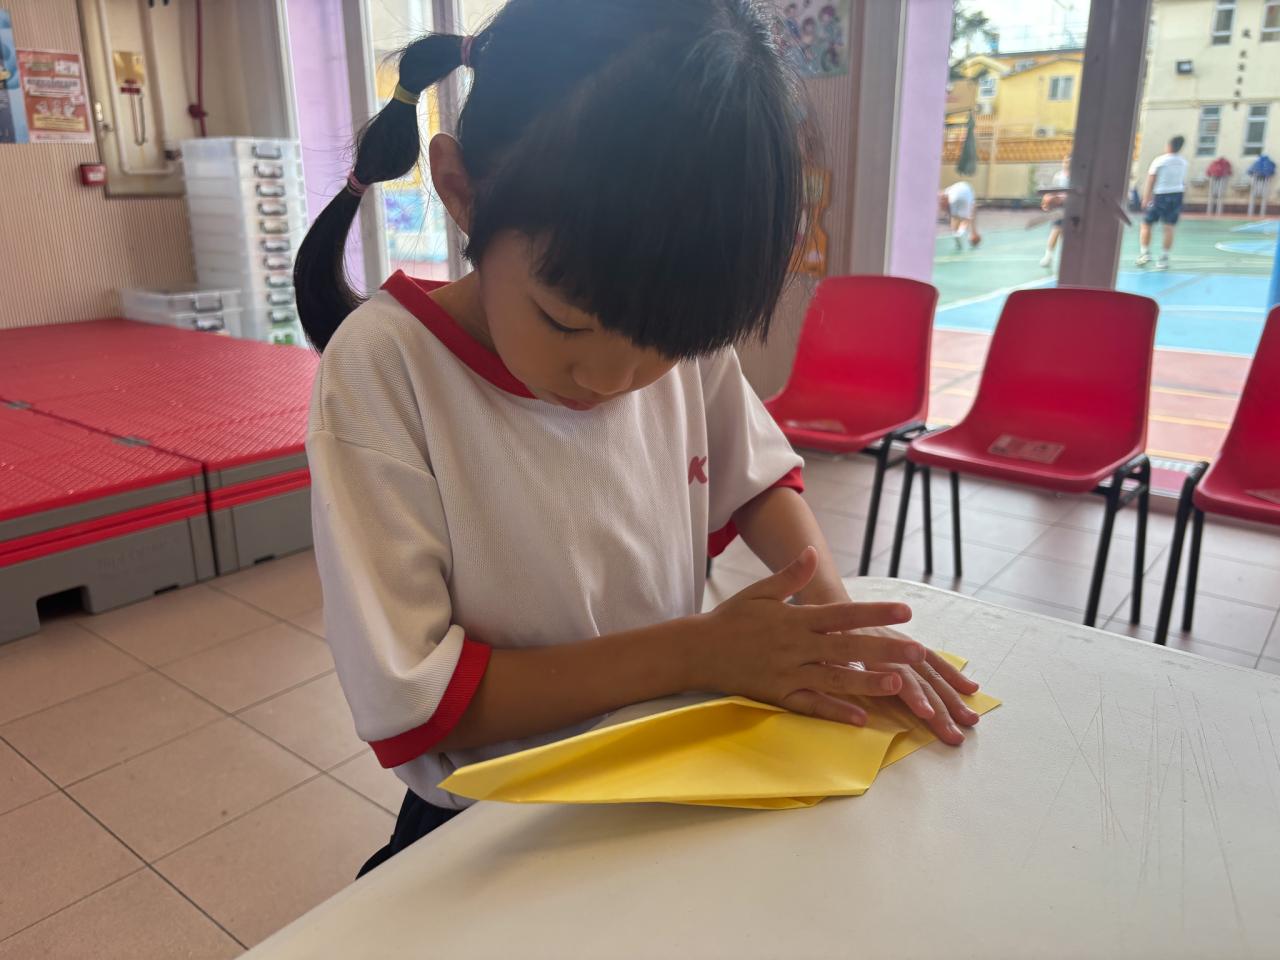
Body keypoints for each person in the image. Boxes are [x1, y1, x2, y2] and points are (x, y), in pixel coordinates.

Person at [294, 0, 981, 876]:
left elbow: (758, 480)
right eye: (566, 324)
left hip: (668, 767)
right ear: (463, 193)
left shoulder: (666, 314)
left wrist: (830, 629)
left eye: (669, 346)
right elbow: (415, 700)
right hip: (498, 818)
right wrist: (697, 652)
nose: (614, 379)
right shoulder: (385, 371)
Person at [1138, 135, 1188, 270]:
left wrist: (1146, 197)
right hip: (1177, 195)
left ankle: (1145, 253)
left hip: (1160, 195)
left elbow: (1151, 180)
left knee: (1146, 224)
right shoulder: (1183, 162)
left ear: (1169, 146)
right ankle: (1164, 258)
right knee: (1169, 227)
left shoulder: (1160, 160)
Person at [1039, 154, 1070, 268]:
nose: (1067, 164)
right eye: (1065, 162)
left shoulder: (1076, 176)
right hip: (1059, 207)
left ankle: (1064, 258)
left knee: (1065, 234)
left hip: (1071, 206)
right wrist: (1047, 201)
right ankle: (1048, 256)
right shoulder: (1058, 176)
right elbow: (1052, 192)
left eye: (1069, 162)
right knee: (1056, 230)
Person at [939, 180, 981, 251]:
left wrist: (947, 212)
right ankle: (961, 232)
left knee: (954, 218)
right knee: (965, 219)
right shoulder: (970, 193)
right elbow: (973, 211)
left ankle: (956, 236)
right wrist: (974, 231)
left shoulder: (948, 190)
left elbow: (943, 199)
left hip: (953, 197)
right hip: (965, 193)